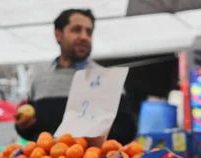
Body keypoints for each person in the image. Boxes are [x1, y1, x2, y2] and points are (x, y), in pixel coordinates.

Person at [15, 9, 136, 145]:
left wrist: (92, 138)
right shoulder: (39, 77)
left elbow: (127, 129)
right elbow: (31, 128)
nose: (84, 37)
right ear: (58, 35)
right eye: (76, 30)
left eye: (89, 32)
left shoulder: (106, 78)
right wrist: (23, 126)